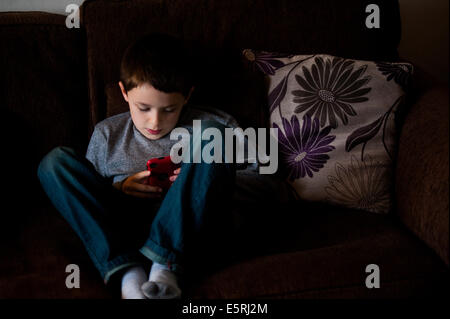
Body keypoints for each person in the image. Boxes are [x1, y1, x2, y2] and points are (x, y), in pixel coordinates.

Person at [37, 33, 292, 299]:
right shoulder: (107, 134)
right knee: (54, 163)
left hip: (196, 231)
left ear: (188, 95)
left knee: (210, 134)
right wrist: (120, 187)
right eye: (143, 108)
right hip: (129, 230)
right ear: (124, 92)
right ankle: (128, 274)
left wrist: (199, 181)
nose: (154, 122)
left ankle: (165, 266)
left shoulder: (217, 124)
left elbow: (271, 186)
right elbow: (90, 202)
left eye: (169, 109)